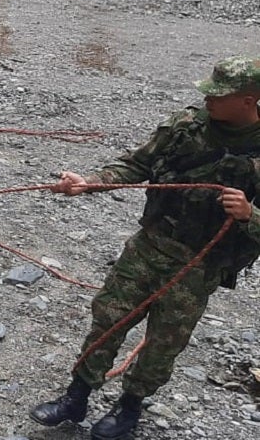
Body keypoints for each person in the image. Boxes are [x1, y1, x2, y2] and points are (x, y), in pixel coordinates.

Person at [29, 56, 260, 440]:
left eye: (219, 96)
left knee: (164, 342)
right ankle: (77, 397)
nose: (208, 101)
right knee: (108, 319)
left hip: (198, 268)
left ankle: (129, 408)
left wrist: (249, 215)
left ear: (249, 101)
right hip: (149, 246)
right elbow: (136, 165)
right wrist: (90, 182)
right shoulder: (185, 127)